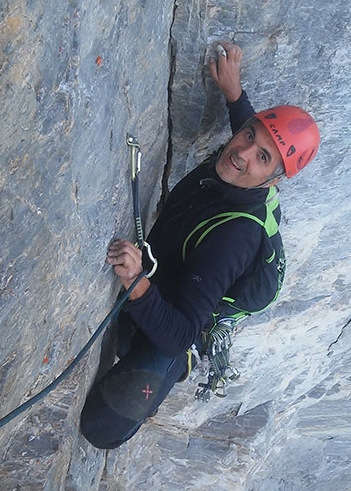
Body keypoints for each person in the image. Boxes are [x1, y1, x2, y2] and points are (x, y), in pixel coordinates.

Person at [79, 41, 320, 449]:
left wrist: (137, 282)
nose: (240, 153)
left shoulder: (233, 238)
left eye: (262, 157)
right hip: (175, 271)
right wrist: (234, 93)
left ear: (274, 181)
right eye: (247, 135)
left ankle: (179, 366)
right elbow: (251, 132)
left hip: (181, 322)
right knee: (126, 327)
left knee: (102, 428)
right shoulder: (241, 159)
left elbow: (178, 332)